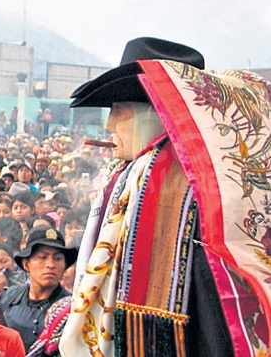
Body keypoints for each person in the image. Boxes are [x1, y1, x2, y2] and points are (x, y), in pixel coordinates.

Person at [59, 37, 250, 357]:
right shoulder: (129, 183)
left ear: (153, 114)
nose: (108, 125)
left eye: (119, 109)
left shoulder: (191, 196)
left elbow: (213, 324)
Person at [0, 226, 77, 351]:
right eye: (42, 257)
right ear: (26, 264)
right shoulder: (7, 300)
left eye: (58, 259)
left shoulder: (72, 309)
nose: (50, 265)